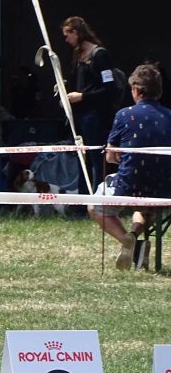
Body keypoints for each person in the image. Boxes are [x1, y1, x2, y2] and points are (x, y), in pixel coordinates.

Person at [88, 63, 171, 271]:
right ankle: (135, 238)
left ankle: (127, 240)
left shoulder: (124, 115)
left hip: (129, 186)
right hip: (165, 189)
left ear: (135, 90)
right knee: (147, 207)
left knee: (94, 206)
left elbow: (110, 157)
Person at [62, 16, 117, 193]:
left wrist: (83, 96)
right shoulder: (78, 56)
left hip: (95, 115)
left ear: (76, 33)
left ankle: (97, 198)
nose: (66, 39)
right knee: (80, 157)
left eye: (67, 35)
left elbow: (109, 89)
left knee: (95, 158)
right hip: (79, 115)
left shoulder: (99, 55)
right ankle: (82, 201)